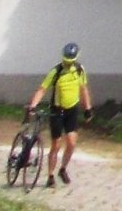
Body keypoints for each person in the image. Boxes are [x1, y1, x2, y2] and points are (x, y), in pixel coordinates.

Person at [29, 42, 93, 187]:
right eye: (66, 60)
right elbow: (42, 89)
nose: (67, 63)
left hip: (72, 110)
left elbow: (83, 90)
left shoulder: (79, 70)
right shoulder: (56, 71)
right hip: (57, 111)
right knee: (56, 145)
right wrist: (33, 105)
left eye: (70, 61)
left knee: (71, 142)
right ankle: (50, 175)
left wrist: (87, 108)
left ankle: (63, 169)